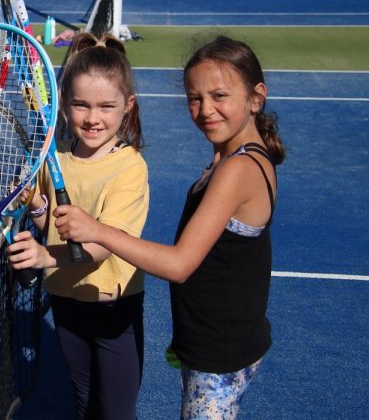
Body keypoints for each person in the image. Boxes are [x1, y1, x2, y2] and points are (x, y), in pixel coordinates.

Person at [53, 35, 286, 420]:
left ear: (256, 97)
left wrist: (96, 230)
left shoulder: (238, 169)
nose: (205, 109)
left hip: (220, 351)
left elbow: (179, 264)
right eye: (195, 98)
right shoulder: (231, 157)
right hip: (214, 339)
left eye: (219, 96)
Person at [7, 32, 150, 419]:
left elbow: (102, 247)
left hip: (112, 310)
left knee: (116, 410)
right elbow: (51, 223)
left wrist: (42, 255)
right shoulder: (60, 156)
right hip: (67, 302)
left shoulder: (129, 168)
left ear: (128, 107)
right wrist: (35, 203)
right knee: (84, 401)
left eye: (106, 106)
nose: (92, 118)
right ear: (64, 105)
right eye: (81, 105)